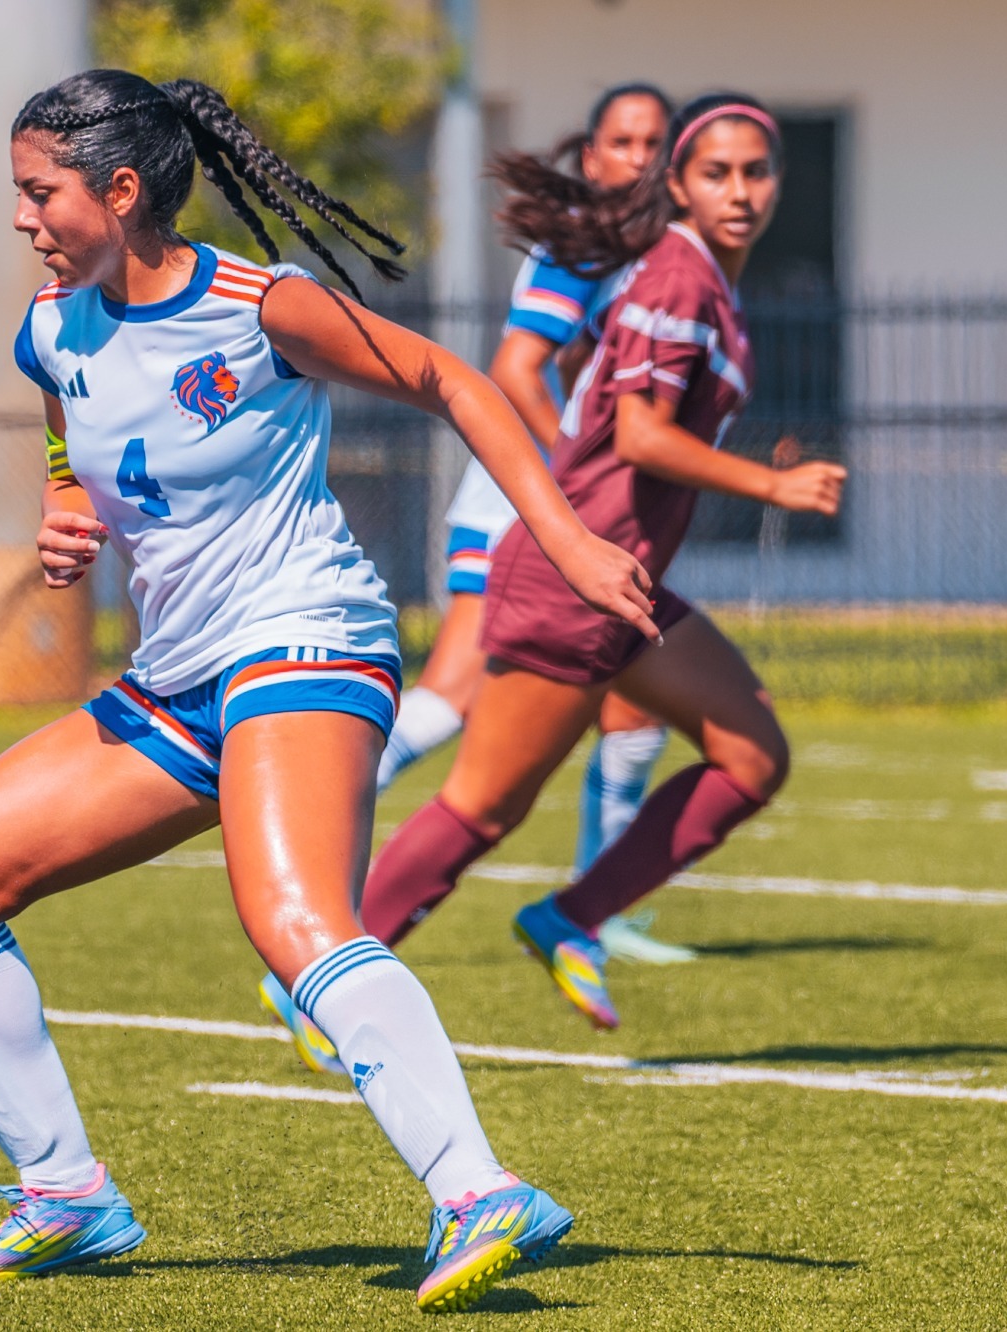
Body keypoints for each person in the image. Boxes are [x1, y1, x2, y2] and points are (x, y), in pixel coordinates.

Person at [0, 68, 657, 1314]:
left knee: (291, 916)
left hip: (306, 640)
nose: (21, 216)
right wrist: (64, 512)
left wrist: (560, 539)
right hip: (173, 682)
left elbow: (453, 382)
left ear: (120, 191)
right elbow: (71, 428)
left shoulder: (262, 305)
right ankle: (67, 1197)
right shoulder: (49, 321)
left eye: (39, 193)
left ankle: (475, 1188)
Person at [359, 92, 846, 1031]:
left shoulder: (701, 276)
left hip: (620, 583)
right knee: (483, 807)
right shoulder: (679, 276)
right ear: (679, 184)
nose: (740, 190)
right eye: (717, 172)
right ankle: (318, 976)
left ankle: (570, 917)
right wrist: (770, 487)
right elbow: (638, 433)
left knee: (752, 754)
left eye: (757, 170)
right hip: (572, 578)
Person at [378, 82, 695, 968]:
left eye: (655, 143)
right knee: (452, 698)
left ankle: (602, 908)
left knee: (638, 703)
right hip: (525, 512)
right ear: (591, 158)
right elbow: (517, 369)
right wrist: (576, 486)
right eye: (624, 142)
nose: (641, 158)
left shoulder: (648, 252)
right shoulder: (583, 243)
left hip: (579, 516)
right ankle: (314, 839)